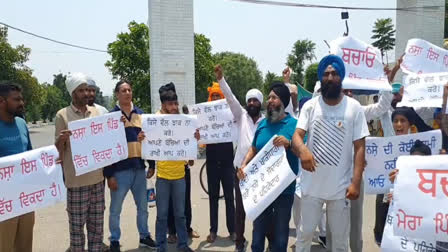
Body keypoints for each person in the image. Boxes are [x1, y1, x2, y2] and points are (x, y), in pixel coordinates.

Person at [293, 55, 369, 252]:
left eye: (334, 73)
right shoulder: (310, 106)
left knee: (340, 243)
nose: (330, 77)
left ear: (341, 77)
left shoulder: (354, 107)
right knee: (304, 236)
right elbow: (297, 136)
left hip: (340, 189)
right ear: (321, 78)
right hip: (311, 189)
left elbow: (360, 147)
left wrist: (355, 182)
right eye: (326, 74)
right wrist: (303, 151)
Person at [237, 81, 299, 252]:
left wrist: (289, 143)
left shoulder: (294, 125)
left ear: (283, 101)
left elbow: (303, 151)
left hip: (283, 192)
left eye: (274, 97)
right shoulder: (263, 124)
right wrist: (244, 165)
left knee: (279, 239)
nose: (269, 100)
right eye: (269, 97)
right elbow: (254, 148)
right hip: (262, 190)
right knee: (257, 239)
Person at [214, 65, 264, 252]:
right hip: (240, 171)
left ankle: (260, 242)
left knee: (260, 209)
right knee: (240, 211)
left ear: (260, 103)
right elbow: (230, 97)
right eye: (249, 100)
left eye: (255, 100)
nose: (252, 103)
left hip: (259, 171)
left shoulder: (265, 121)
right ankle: (239, 243)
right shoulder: (241, 115)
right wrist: (221, 79)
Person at [103, 80, 156, 252]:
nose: (127, 93)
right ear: (117, 94)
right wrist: (109, 174)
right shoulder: (110, 118)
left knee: (143, 207)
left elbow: (150, 141)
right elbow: (106, 147)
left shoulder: (141, 115)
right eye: (123, 90)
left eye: (129, 90)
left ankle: (144, 236)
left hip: (139, 168)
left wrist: (152, 165)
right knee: (115, 209)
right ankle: (115, 240)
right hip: (119, 172)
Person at [55, 73, 105, 252]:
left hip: (98, 181)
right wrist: (62, 140)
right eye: (81, 90)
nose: (86, 93)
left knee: (97, 230)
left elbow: (105, 140)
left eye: (87, 89)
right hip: (76, 183)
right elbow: (57, 151)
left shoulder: (97, 112)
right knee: (77, 232)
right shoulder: (62, 115)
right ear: (73, 93)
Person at [152, 82, 196, 252]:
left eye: (176, 103)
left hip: (180, 176)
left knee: (180, 214)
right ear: (163, 105)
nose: (174, 107)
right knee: (162, 216)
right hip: (162, 177)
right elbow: (149, 143)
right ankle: (160, 247)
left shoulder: (183, 122)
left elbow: (190, 157)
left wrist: (194, 139)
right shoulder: (155, 120)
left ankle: (183, 245)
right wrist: (143, 137)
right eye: (171, 104)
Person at [0, 82, 35, 252]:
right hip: (3, 202)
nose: (22, 103)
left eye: (22, 99)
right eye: (16, 100)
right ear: (2, 101)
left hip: (25, 198)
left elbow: (30, 156)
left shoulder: (21, 123)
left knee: (25, 244)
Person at [204, 81, 236, 243]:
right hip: (211, 161)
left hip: (227, 161)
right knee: (213, 197)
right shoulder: (204, 115)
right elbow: (200, 136)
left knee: (230, 197)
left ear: (223, 97)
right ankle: (213, 230)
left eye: (219, 95)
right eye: (213, 95)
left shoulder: (229, 113)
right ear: (210, 97)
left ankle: (233, 230)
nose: (216, 98)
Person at [166, 105, 200, 243]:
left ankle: (187, 229)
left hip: (183, 168)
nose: (174, 108)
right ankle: (172, 232)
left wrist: (191, 155)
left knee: (186, 200)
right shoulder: (164, 126)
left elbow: (191, 158)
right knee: (170, 202)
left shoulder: (187, 127)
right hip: (168, 170)